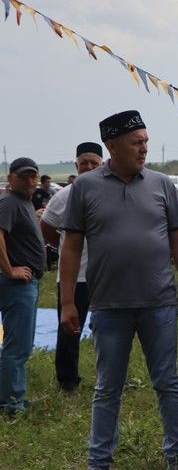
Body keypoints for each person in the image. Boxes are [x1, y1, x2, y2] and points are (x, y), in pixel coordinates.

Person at [60, 110, 178, 470]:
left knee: (168, 382)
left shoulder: (161, 185)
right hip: (107, 306)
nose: (144, 148)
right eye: (135, 142)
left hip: (158, 303)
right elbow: (71, 246)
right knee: (107, 387)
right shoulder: (85, 187)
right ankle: (97, 467)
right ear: (112, 145)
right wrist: (67, 302)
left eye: (144, 140)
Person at [40, 142, 104, 392]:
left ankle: (108, 376)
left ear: (102, 164)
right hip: (74, 276)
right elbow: (46, 227)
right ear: (76, 166)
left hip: (105, 275)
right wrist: (67, 248)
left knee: (109, 327)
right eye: (83, 163)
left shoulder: (109, 191)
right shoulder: (64, 196)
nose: (88, 167)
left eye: (93, 163)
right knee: (70, 328)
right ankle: (67, 380)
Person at [0, 157, 45, 415]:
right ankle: (10, 404)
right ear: (10, 178)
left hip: (29, 282)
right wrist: (9, 269)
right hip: (16, 284)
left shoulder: (23, 202)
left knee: (21, 345)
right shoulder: (8, 202)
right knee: (17, 347)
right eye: (24, 176)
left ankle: (12, 396)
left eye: (33, 175)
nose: (30, 180)